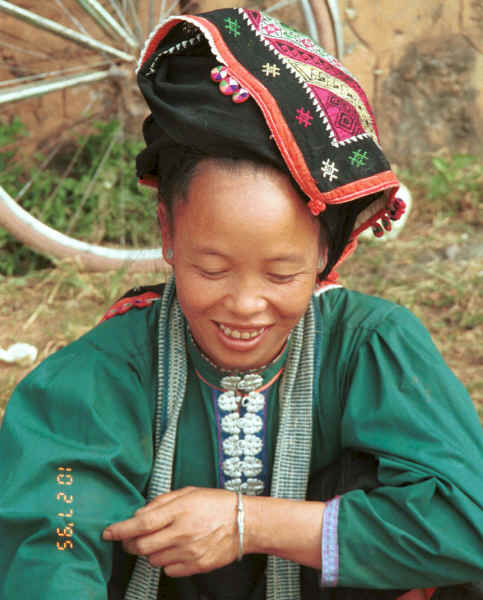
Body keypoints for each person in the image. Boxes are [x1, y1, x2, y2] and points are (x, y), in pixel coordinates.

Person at [0, 7, 482, 600]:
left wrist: (249, 524)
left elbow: (469, 527)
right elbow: (57, 532)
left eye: (282, 273)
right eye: (212, 268)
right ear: (167, 234)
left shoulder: (371, 347)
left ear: (327, 256)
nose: (246, 304)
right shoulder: (100, 378)